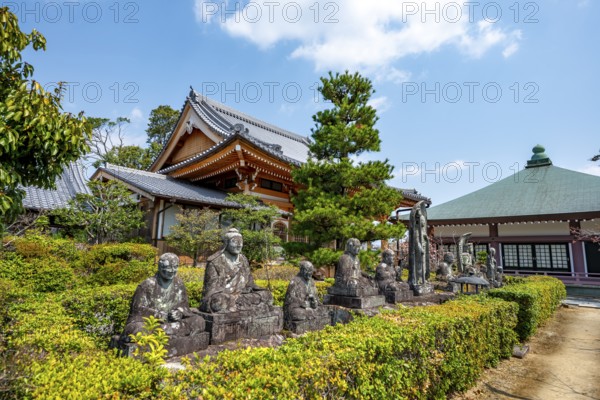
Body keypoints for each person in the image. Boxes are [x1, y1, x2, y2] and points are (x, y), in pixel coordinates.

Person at [122, 253, 205, 340]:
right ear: (159, 267)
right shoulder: (147, 285)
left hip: (172, 323)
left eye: (175, 267)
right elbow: (138, 310)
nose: (172, 270)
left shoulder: (179, 284)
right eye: (168, 267)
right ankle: (170, 333)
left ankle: (166, 333)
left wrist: (179, 312)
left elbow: (184, 306)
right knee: (138, 330)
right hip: (152, 323)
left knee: (199, 321)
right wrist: (161, 315)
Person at [200, 228, 273, 313]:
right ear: (226, 243)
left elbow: (249, 283)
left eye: (241, 242)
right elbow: (211, 289)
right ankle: (239, 304)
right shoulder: (215, 261)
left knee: (267, 295)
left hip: (242, 295)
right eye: (235, 241)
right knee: (218, 302)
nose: (239, 245)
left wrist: (251, 288)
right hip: (224, 296)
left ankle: (238, 304)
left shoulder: (243, 259)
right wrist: (232, 273)